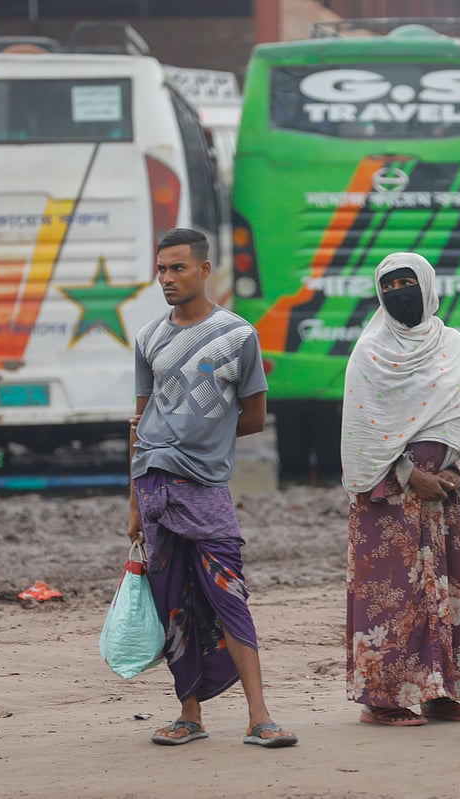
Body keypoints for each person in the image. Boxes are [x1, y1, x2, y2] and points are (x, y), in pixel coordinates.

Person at [127, 227, 297, 749]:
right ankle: (189, 715)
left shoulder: (238, 336)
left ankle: (260, 715)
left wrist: (203, 438)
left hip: (205, 489)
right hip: (153, 487)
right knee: (171, 600)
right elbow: (138, 425)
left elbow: (253, 417)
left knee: (229, 597)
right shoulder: (148, 338)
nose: (167, 279)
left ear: (204, 270)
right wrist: (133, 508)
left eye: (178, 268)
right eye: (161, 269)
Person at [340, 252, 460, 726]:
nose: (399, 293)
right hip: (390, 500)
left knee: (450, 593)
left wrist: (456, 472)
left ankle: (442, 692)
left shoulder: (456, 348)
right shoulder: (369, 353)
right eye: (389, 286)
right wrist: (411, 476)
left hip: (450, 496)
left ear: (427, 286)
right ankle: (383, 698)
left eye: (408, 282)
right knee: (392, 597)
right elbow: (362, 434)